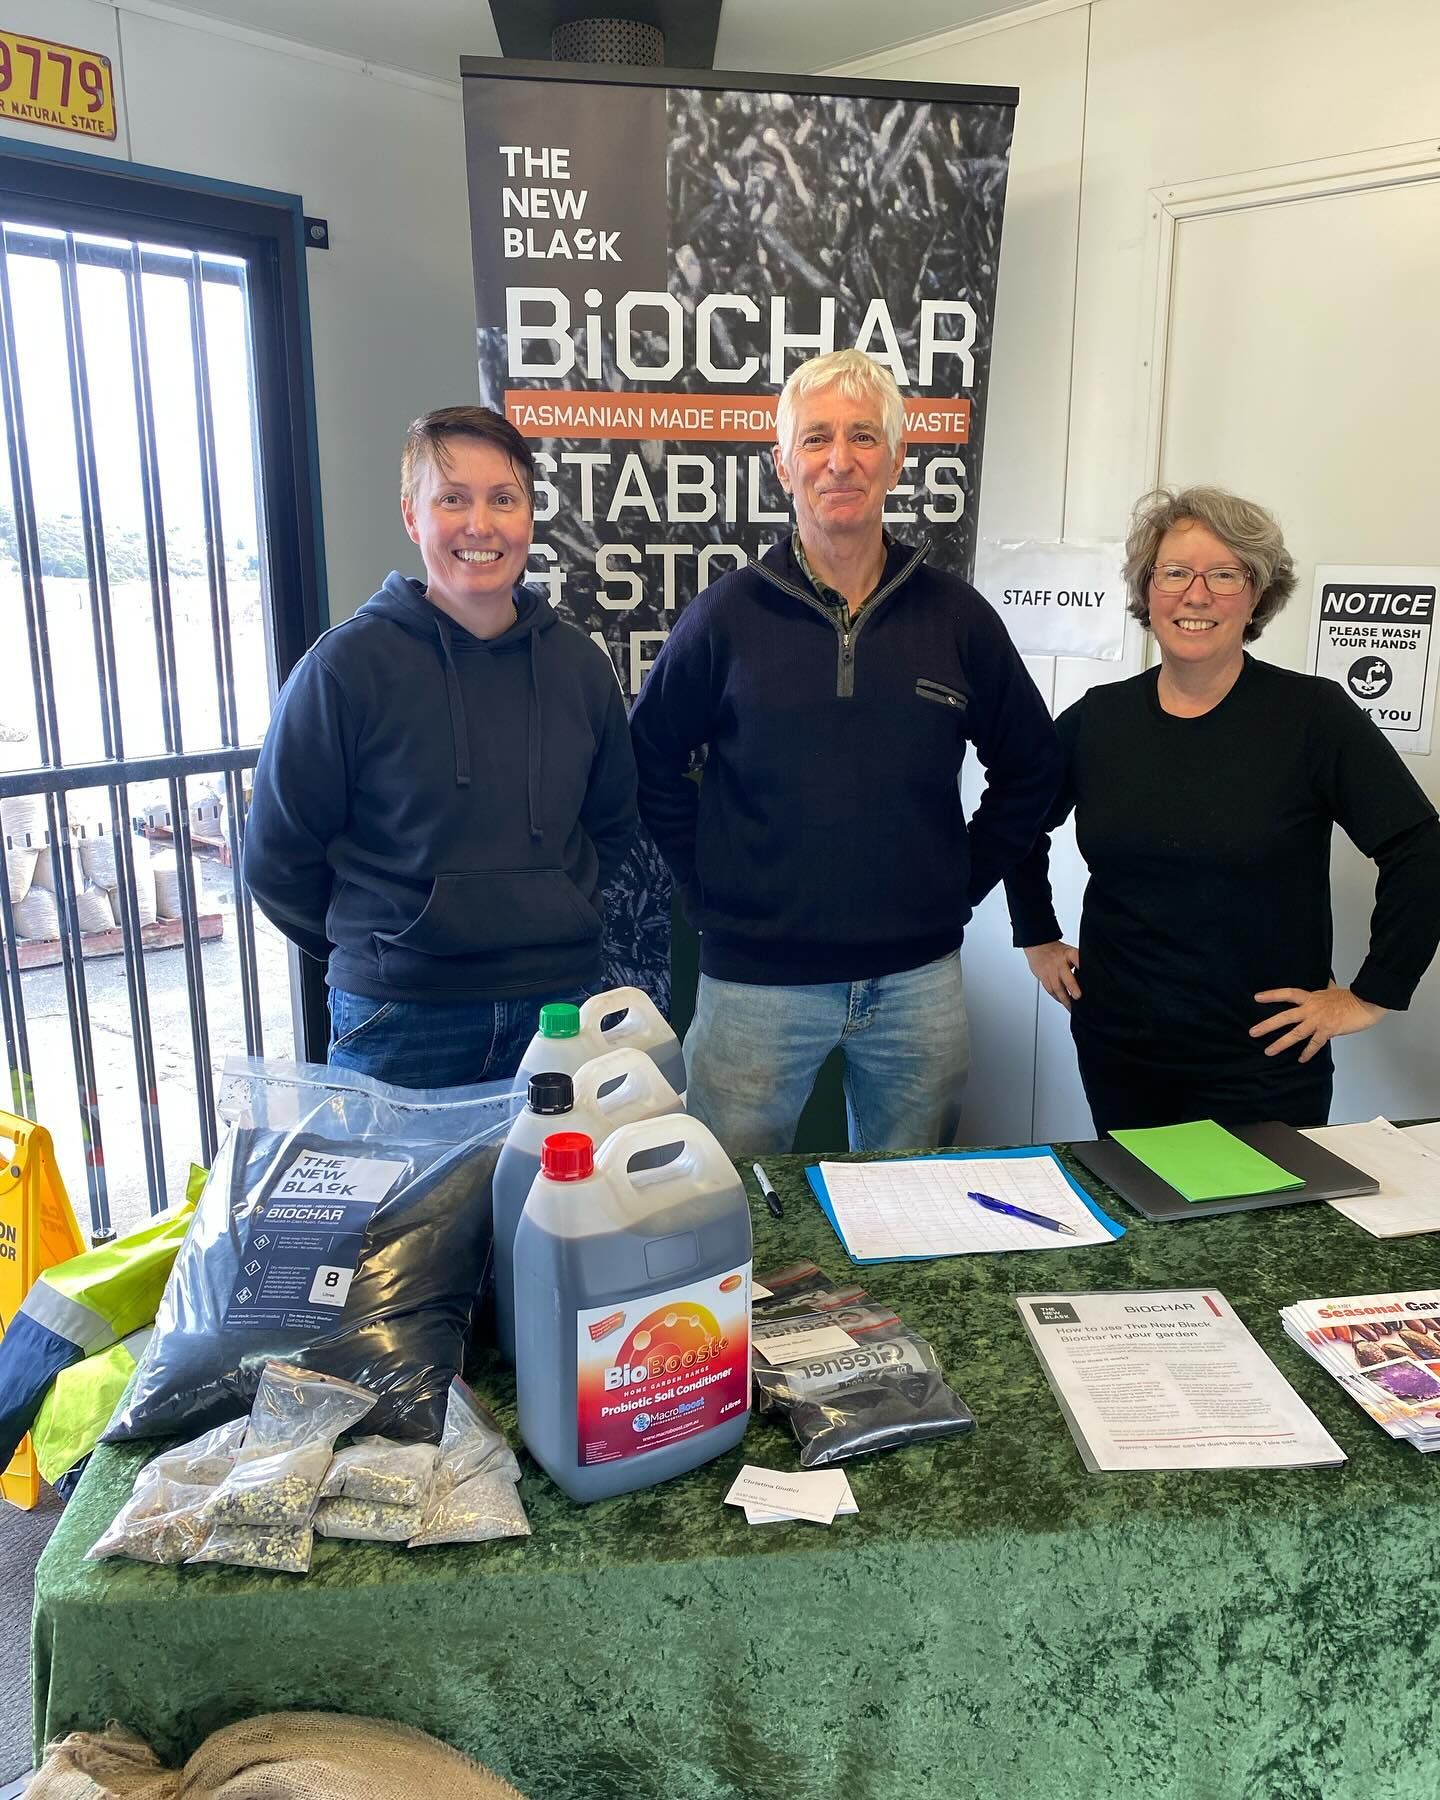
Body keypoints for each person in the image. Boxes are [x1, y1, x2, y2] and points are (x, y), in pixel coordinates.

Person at [629, 349, 1061, 1155]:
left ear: (896, 460)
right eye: (817, 438)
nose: (840, 460)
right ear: (783, 464)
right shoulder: (725, 618)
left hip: (917, 984)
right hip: (755, 984)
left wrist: (959, 882)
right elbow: (647, 762)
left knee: (911, 1204)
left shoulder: (957, 619)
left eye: (864, 437)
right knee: (730, 1199)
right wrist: (713, 883)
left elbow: (1033, 766)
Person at [1006, 485, 1440, 1133]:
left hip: (1264, 1063)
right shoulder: (1099, 719)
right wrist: (1037, 935)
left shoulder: (1312, 717)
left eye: (1225, 574)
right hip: (1120, 1051)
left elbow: (1419, 848)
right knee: (1138, 1201)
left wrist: (1373, 993)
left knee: (1261, 1206)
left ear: (1257, 594)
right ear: (1147, 589)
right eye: (1175, 572)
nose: (1197, 594)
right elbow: (1017, 823)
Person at [244, 404, 637, 1088]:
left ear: (530, 517)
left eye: (503, 499)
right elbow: (278, 860)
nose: (479, 524)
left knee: (556, 1169)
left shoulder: (580, 667)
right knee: (392, 1171)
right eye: (452, 499)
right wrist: (386, 943)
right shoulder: (344, 668)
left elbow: (611, 825)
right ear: (412, 516)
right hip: (399, 1017)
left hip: (559, 1009)